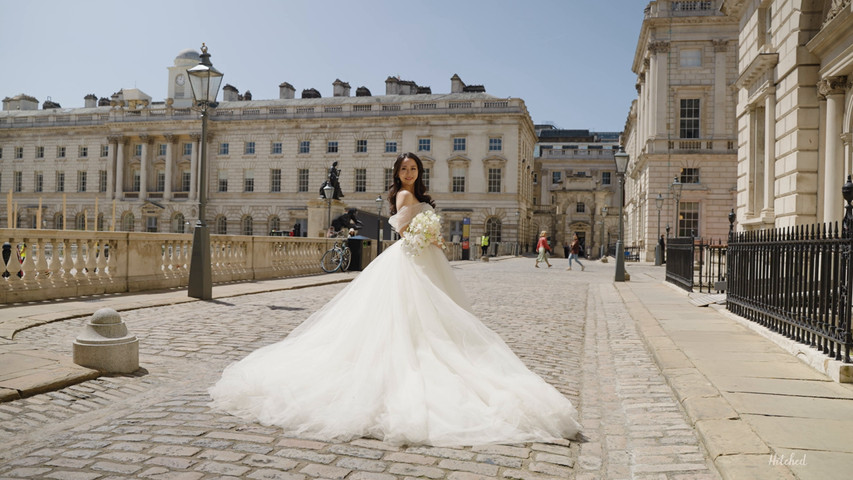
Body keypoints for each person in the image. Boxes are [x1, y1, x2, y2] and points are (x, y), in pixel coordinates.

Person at [209, 152, 581, 447]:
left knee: (423, 318)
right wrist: (426, 235)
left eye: (413, 167)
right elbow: (401, 228)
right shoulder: (405, 196)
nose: (408, 173)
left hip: (425, 259)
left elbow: (413, 225)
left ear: (419, 171)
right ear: (398, 173)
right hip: (413, 261)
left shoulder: (416, 195)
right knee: (418, 317)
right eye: (404, 168)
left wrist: (429, 235)